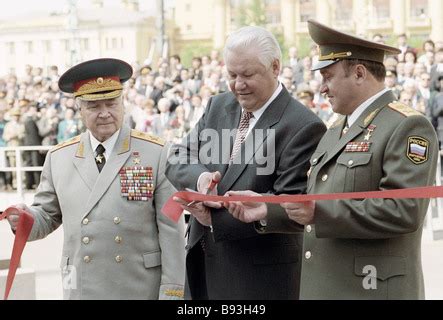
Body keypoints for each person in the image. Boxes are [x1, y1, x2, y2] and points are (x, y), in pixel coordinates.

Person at [225, 20, 438, 300]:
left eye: (328, 76)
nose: (322, 88)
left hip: (371, 291)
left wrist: (319, 212)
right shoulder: (336, 130)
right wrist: (266, 208)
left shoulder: (406, 126)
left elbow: (404, 209)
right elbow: (313, 201)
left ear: (359, 74)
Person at [165, 26, 326, 299]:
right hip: (202, 268)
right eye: (231, 75)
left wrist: (215, 218)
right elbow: (178, 156)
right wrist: (201, 180)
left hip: (257, 280)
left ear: (275, 67)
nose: (238, 84)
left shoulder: (302, 126)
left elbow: (291, 206)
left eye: (248, 74)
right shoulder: (218, 106)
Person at [7, 58, 185, 300]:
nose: (104, 114)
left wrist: (172, 292)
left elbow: (171, 229)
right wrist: (24, 219)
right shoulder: (59, 158)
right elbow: (47, 216)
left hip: (139, 287)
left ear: (123, 104)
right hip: (82, 286)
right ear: (79, 110)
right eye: (94, 106)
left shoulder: (156, 153)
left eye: (111, 103)